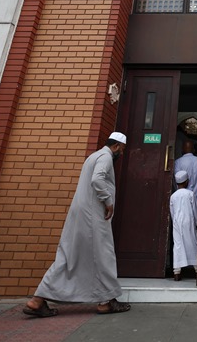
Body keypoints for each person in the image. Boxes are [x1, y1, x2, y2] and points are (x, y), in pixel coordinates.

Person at [24, 132, 131, 318]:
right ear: (116, 146)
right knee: (103, 253)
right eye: (122, 149)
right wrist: (108, 201)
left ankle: (37, 300)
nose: (121, 153)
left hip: (82, 213)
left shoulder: (93, 156)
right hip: (93, 214)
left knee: (69, 256)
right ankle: (106, 302)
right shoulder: (105, 157)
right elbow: (97, 179)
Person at [169, 170, 197, 281]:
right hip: (188, 221)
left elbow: (172, 211)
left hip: (177, 222)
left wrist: (175, 222)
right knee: (192, 243)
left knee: (178, 245)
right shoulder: (190, 194)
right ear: (186, 182)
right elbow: (195, 210)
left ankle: (177, 272)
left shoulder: (173, 196)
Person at [173, 138, 197, 204]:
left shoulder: (178, 162)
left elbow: (177, 181)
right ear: (194, 150)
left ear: (182, 150)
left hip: (182, 199)